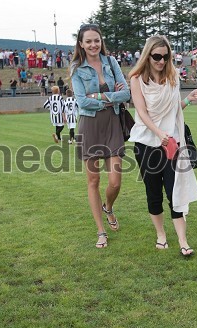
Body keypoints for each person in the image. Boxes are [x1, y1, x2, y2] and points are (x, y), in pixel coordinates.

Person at [128, 35, 197, 257]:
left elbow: (173, 110)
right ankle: (161, 234)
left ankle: (182, 240)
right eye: (157, 56)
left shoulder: (173, 77)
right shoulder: (137, 79)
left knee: (175, 191)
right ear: (148, 55)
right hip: (146, 143)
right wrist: (159, 133)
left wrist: (187, 100)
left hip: (171, 143)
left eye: (165, 56)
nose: (161, 61)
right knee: (153, 193)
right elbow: (142, 112)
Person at [69, 23, 130, 249]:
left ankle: (109, 207)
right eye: (89, 41)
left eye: (97, 40)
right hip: (89, 126)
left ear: (101, 41)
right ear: (81, 44)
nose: (93, 45)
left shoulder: (111, 62)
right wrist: (111, 95)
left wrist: (101, 96)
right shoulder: (76, 68)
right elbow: (82, 101)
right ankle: (101, 231)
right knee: (93, 180)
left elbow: (126, 93)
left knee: (115, 182)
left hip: (113, 123)